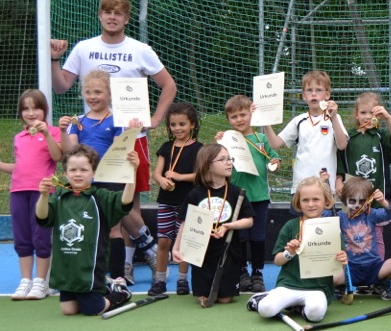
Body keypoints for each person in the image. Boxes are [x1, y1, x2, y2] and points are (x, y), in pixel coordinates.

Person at [49, 0, 177, 283]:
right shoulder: (84, 48)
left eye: (118, 13)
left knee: (127, 203)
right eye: (107, 12)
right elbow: (60, 87)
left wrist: (155, 120)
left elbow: (169, 85)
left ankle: (129, 262)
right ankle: (142, 251)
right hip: (92, 138)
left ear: (126, 19)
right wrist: (55, 59)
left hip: (130, 136)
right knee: (106, 203)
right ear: (100, 15)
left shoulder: (140, 49)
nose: (112, 17)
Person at [58, 70, 138, 292]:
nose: (93, 96)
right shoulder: (77, 122)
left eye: (98, 92)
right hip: (84, 183)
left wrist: (130, 132)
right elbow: (70, 153)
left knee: (113, 229)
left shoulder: (117, 121)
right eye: (88, 92)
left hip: (110, 180)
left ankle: (119, 276)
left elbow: (118, 152)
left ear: (109, 95)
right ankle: (89, 274)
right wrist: (63, 131)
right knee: (87, 229)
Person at [35, 144, 136, 316]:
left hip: (90, 268)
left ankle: (119, 291)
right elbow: (42, 217)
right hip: (67, 268)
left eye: (84, 169)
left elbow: (125, 202)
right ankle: (105, 286)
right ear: (65, 173)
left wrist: (132, 172)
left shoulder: (100, 197)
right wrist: (44, 196)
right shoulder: (59, 196)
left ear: (94, 172)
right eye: (73, 170)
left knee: (93, 309)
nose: (78, 174)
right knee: (69, 310)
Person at [0, 89, 63, 300]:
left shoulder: (52, 132)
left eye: (35, 107)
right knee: (22, 237)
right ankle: (25, 280)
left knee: (41, 236)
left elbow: (58, 156)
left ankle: (41, 282)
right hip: (18, 191)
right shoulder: (19, 137)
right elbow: (19, 167)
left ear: (44, 110)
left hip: (42, 193)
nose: (31, 112)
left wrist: (46, 134)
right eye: (25, 109)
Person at [247, 177, 348, 324]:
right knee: (265, 310)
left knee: (315, 314)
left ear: (326, 201)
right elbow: (277, 261)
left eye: (316, 199)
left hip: (318, 289)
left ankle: (297, 308)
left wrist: (343, 260)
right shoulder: (290, 226)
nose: (311, 204)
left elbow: (339, 267)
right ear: (298, 203)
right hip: (289, 285)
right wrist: (290, 253)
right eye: (305, 200)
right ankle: (263, 298)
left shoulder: (332, 229)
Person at [172, 143, 254, 308]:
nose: (228, 162)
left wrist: (228, 226)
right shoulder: (196, 194)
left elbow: (249, 220)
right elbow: (185, 222)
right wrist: (176, 247)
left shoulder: (236, 192)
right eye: (222, 159)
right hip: (201, 250)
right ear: (208, 165)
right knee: (203, 295)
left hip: (228, 249)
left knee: (225, 299)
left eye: (229, 158)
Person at [221, 94, 280, 294]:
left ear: (251, 115)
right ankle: (241, 272)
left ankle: (257, 273)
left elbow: (275, 159)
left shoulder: (261, 139)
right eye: (234, 116)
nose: (239, 119)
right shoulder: (227, 140)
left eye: (243, 114)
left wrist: (274, 164)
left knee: (257, 238)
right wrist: (219, 145)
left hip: (259, 197)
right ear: (228, 120)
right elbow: (218, 162)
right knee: (239, 237)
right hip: (235, 197)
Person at [261, 70, 348, 200]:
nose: (313, 94)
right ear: (303, 96)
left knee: (325, 220)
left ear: (327, 94)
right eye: (309, 90)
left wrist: (334, 117)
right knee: (302, 221)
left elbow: (342, 145)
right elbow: (275, 143)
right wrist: (266, 123)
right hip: (301, 186)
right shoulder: (299, 120)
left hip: (325, 186)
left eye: (318, 90)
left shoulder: (334, 118)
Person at [149, 101, 203, 297]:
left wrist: (180, 177)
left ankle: (182, 280)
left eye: (182, 124)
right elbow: (156, 173)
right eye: (173, 125)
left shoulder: (198, 148)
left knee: (185, 243)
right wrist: (162, 180)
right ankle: (160, 280)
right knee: (163, 240)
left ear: (192, 125)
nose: (177, 128)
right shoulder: (166, 147)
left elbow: (200, 175)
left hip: (187, 202)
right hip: (166, 200)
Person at [335, 178, 391, 301]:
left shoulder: (371, 214)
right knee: (330, 276)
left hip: (374, 267)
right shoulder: (340, 217)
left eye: (362, 201)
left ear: (368, 200)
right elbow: (323, 215)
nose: (357, 205)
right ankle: (341, 286)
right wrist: (325, 187)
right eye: (352, 201)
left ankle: (380, 284)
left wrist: (383, 201)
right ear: (344, 200)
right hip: (351, 268)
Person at [335, 91, 391, 199]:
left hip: (379, 195)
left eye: (372, 113)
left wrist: (388, 118)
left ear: (379, 115)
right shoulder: (348, 137)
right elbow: (340, 162)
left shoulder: (381, 135)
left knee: (380, 214)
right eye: (363, 113)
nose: (368, 117)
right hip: (354, 197)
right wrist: (338, 180)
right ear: (356, 115)